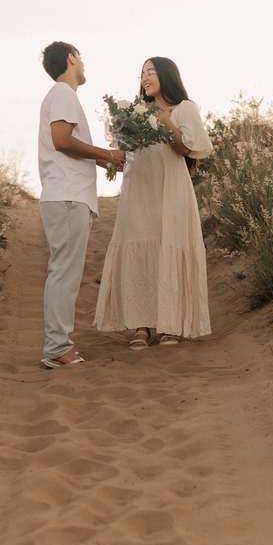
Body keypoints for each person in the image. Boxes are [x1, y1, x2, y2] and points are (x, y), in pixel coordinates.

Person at [94, 56, 213, 347]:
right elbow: (124, 153)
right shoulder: (134, 113)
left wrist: (164, 121)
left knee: (169, 243)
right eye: (142, 73)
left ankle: (170, 325)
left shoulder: (184, 108)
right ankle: (141, 325)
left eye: (151, 72)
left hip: (171, 187)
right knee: (139, 245)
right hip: (139, 188)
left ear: (166, 75)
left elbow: (187, 149)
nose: (145, 78)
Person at [37, 41, 123, 370]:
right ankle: (58, 348)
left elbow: (70, 147)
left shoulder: (62, 95)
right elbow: (62, 141)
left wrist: (108, 161)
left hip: (67, 195)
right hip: (68, 196)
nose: (84, 64)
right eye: (81, 57)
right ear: (71, 58)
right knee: (64, 274)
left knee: (63, 272)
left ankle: (57, 345)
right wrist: (106, 154)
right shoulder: (63, 93)